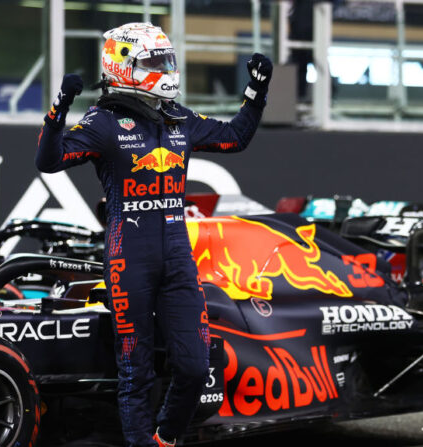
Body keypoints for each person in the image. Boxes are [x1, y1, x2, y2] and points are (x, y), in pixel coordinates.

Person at [35, 22, 272, 447]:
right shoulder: (103, 122)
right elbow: (49, 161)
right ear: (123, 67)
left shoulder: (178, 116)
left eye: (167, 59)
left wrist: (256, 93)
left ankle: (165, 439)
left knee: (196, 366)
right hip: (129, 259)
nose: (167, 69)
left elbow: (235, 138)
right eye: (155, 61)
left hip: (178, 258)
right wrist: (58, 110)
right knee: (136, 370)